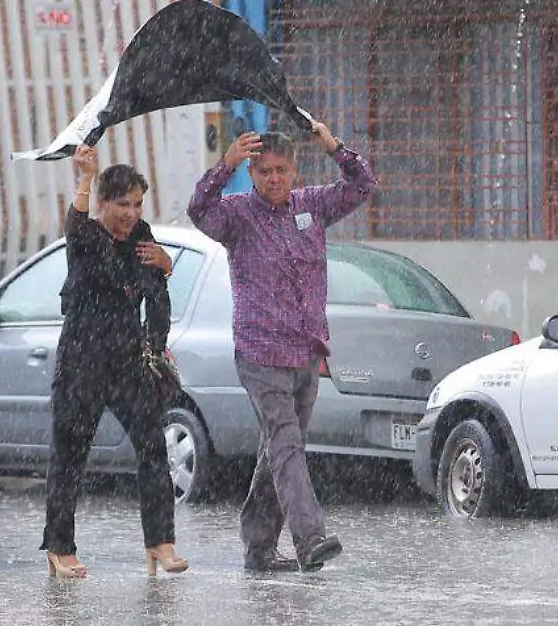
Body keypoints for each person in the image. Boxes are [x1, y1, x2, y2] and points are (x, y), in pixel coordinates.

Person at [187, 121, 377, 572]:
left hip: (306, 352)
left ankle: (258, 547)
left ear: (295, 172)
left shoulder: (312, 206)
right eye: (265, 170)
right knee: (287, 445)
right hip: (259, 354)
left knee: (277, 450)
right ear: (252, 173)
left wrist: (333, 145)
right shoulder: (236, 216)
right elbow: (198, 210)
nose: (274, 178)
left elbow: (363, 183)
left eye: (283, 170)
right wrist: (224, 164)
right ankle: (310, 537)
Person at [41, 145, 188, 578]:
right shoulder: (86, 236)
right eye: (122, 204)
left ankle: (160, 542)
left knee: (152, 448)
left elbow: (156, 299)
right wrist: (85, 176)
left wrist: (166, 268)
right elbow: (74, 225)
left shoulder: (142, 235)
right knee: (70, 454)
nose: (130, 213)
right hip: (82, 361)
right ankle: (59, 547)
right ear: (104, 203)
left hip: (128, 361)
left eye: (138, 203)